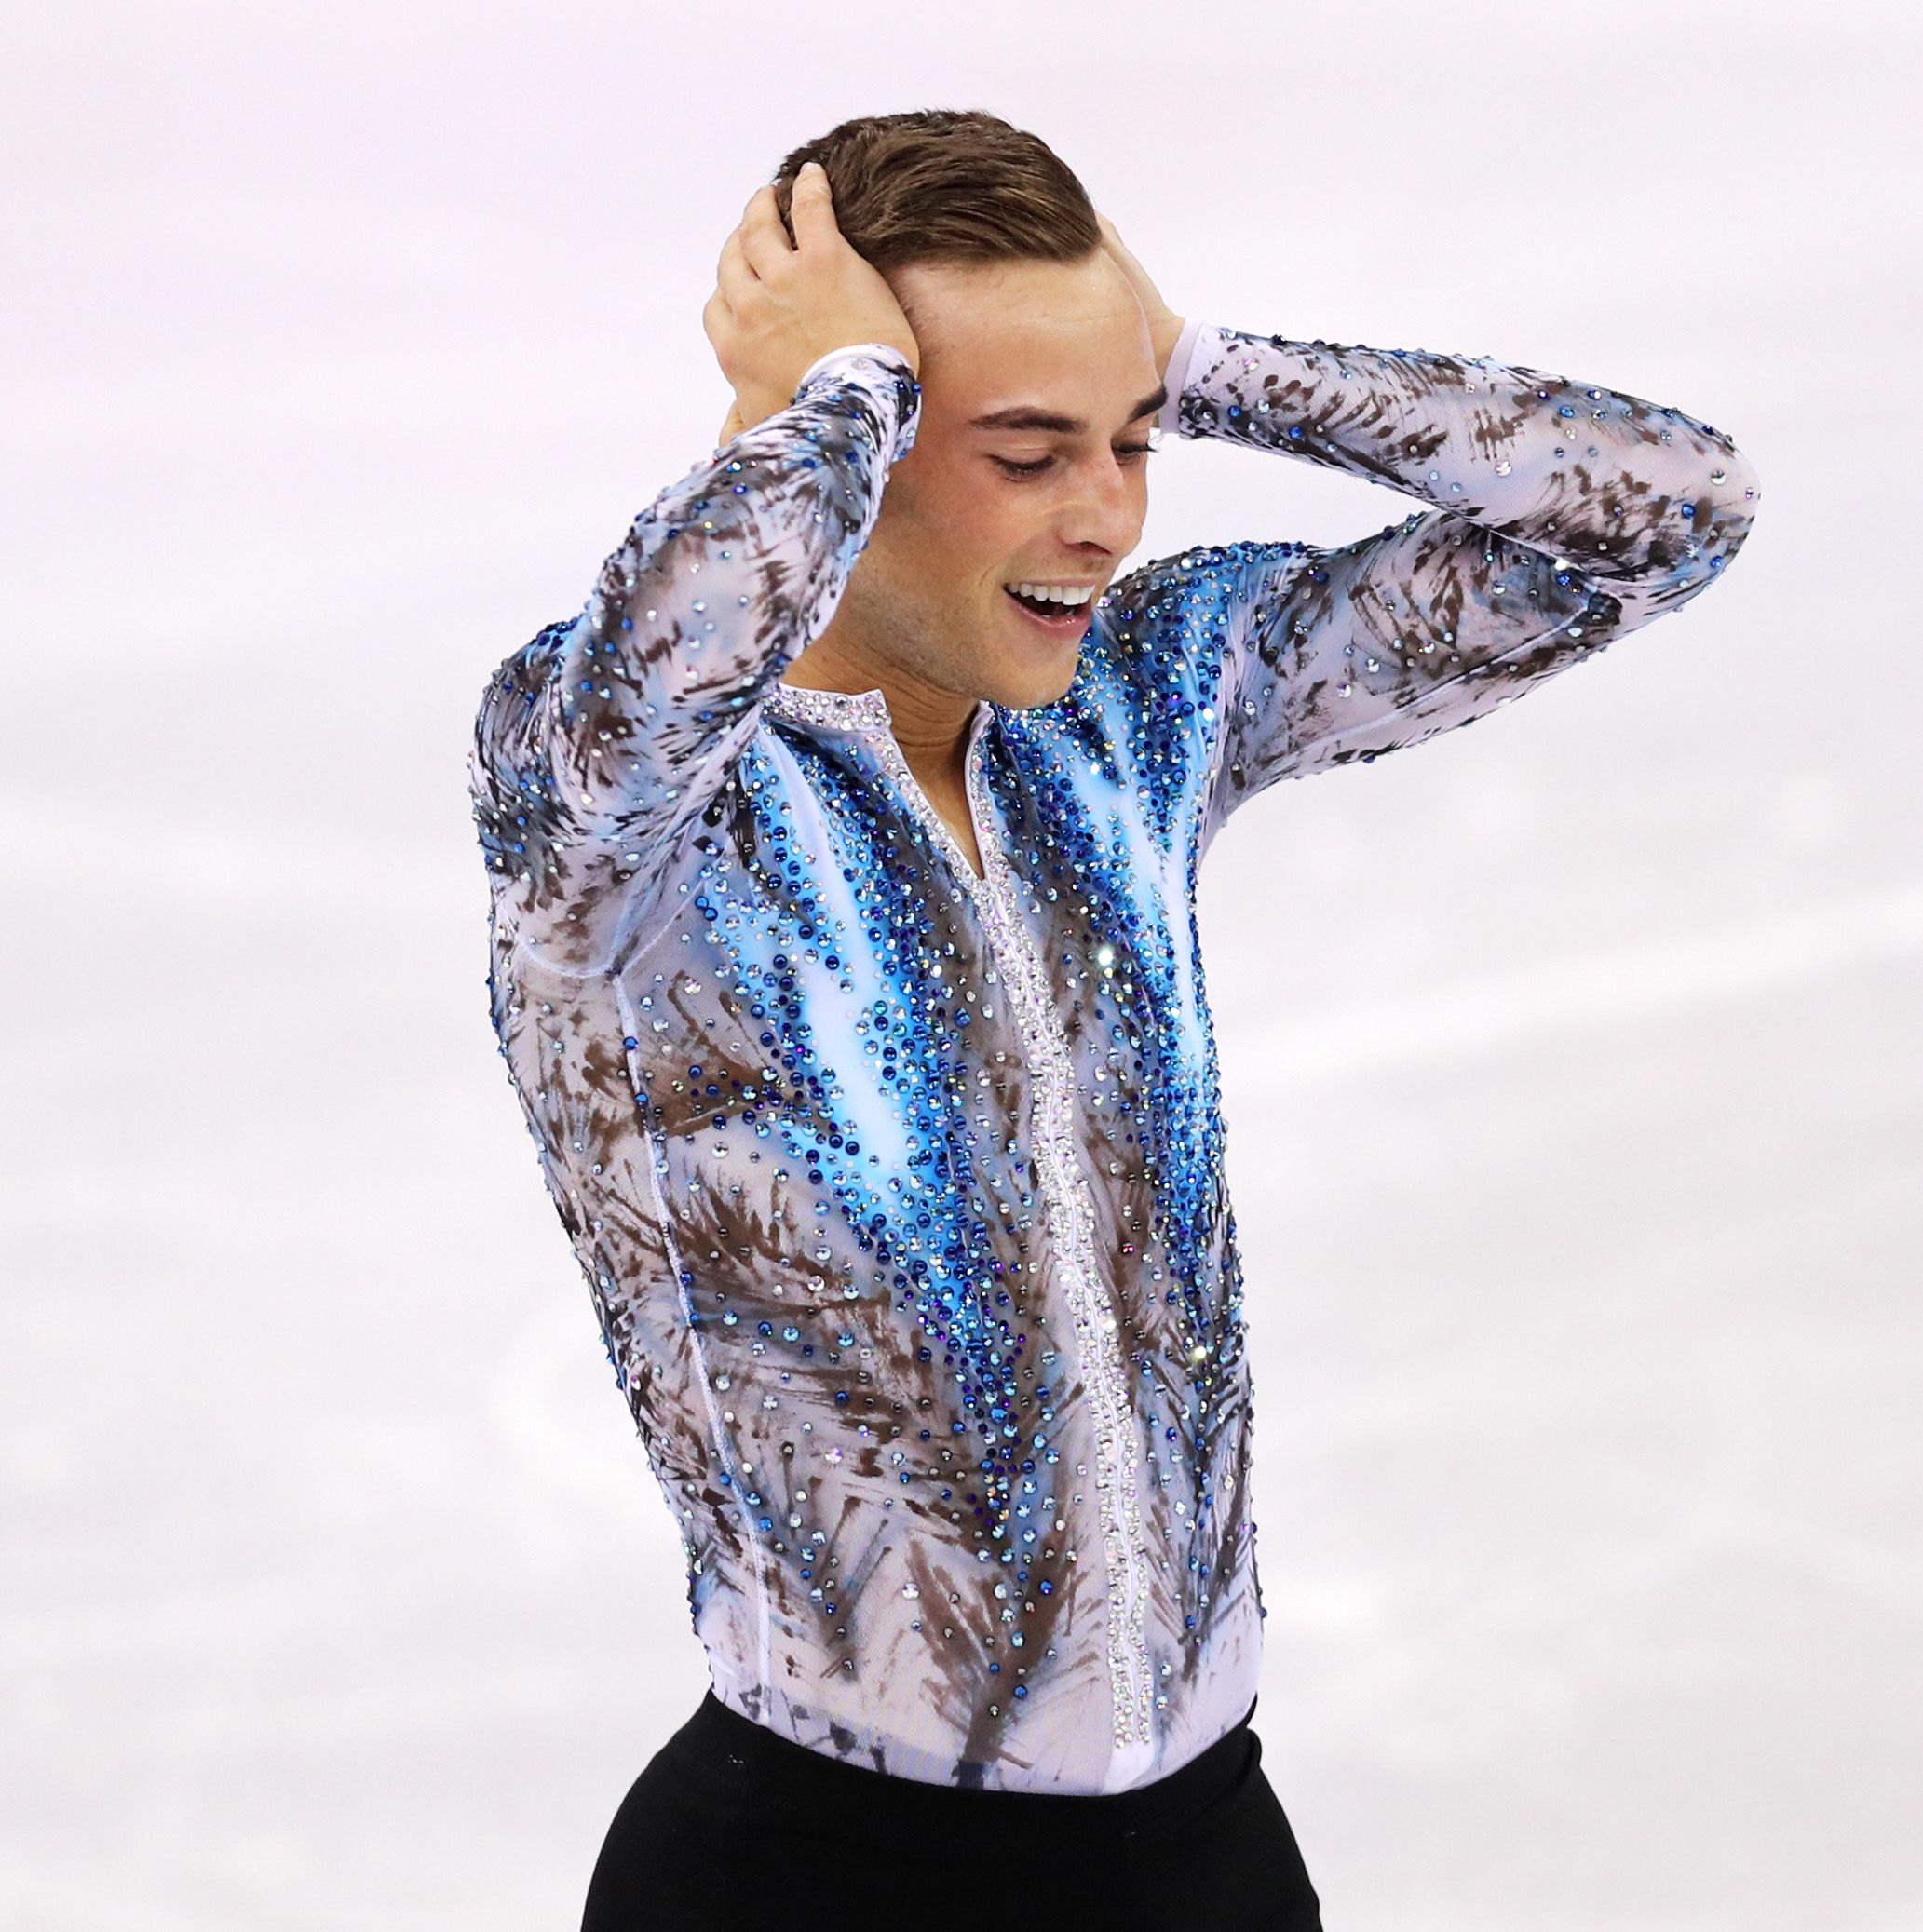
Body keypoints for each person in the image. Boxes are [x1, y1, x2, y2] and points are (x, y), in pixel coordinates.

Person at [467, 107, 1758, 1929]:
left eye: (1132, 446)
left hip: (1202, 1854)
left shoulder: (1144, 705)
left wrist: (1204, 364)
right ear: (842, 442)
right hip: (819, 1876)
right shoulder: (626, 822)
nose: (1107, 514)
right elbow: (681, 636)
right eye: (1025, 450)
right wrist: (822, 399)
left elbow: (1668, 508)